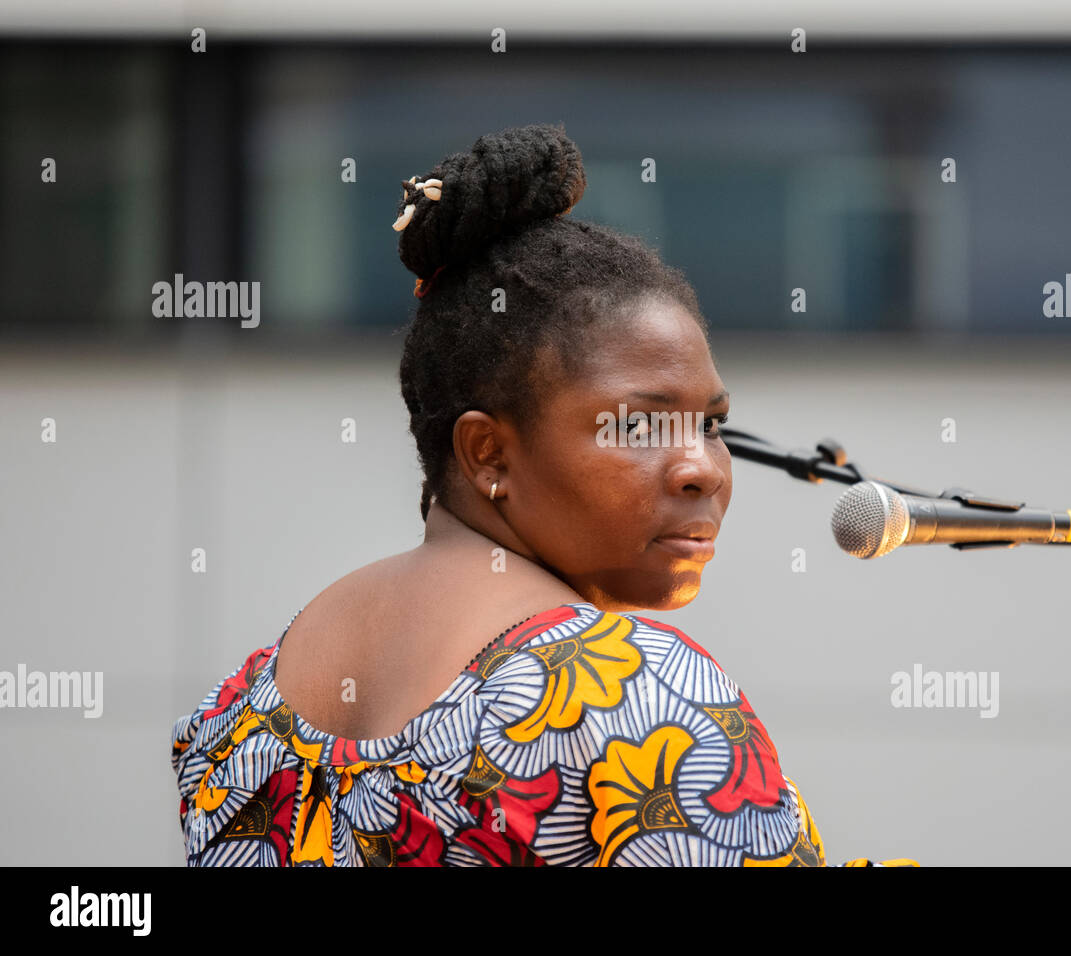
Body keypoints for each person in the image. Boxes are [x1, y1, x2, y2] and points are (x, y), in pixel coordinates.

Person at [170, 123, 918, 867]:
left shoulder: (241, 707)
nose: (705, 469)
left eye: (712, 425)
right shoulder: (631, 691)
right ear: (487, 452)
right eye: (641, 425)